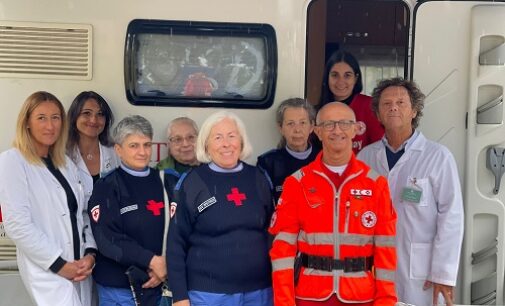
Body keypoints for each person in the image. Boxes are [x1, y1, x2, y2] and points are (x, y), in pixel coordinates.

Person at [269, 102, 397, 306]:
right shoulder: (297, 183)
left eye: (345, 123)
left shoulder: (376, 185)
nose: (337, 130)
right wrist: (284, 303)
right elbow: (282, 251)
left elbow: (386, 250)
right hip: (310, 297)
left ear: (356, 129)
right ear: (317, 131)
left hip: (361, 298)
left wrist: (385, 302)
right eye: (329, 124)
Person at [357, 78, 464, 306]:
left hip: (422, 273)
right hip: (376, 268)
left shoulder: (437, 156)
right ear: (377, 114)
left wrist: (443, 273)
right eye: (386, 104)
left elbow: (452, 217)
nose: (393, 107)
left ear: (414, 111)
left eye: (400, 102)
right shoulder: (365, 157)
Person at [167, 111, 274, 306]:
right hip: (208, 294)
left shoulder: (258, 178)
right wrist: (180, 296)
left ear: (241, 141)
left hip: (259, 292)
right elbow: (175, 243)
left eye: (232, 136)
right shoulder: (193, 182)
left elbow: (273, 232)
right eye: (218, 137)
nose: (226, 144)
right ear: (206, 144)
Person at [0, 91, 96, 306]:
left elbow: (83, 213)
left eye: (56, 117)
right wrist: (59, 264)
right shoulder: (13, 161)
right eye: (41, 118)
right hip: (49, 270)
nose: (50, 126)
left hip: (79, 269)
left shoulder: (66, 165)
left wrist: (90, 254)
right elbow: (17, 224)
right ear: (27, 123)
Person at [88, 115, 168, 306]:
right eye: (134, 145)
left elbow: (180, 231)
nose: (142, 152)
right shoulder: (106, 187)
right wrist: (152, 261)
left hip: (157, 287)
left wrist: (164, 267)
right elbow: (107, 239)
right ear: (118, 150)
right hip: (119, 289)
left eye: (147, 145)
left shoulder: (167, 182)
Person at [318, 50, 384, 153]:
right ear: (327, 77)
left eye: (347, 75)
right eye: (335, 75)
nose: (341, 81)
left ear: (356, 78)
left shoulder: (370, 106)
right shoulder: (318, 110)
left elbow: (379, 149)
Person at [67, 91, 119, 212]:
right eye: (86, 113)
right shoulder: (62, 155)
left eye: (100, 114)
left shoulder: (116, 153)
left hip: (109, 226)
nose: (94, 120)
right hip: (74, 227)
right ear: (74, 116)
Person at [257, 98, 318, 202]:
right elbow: (264, 204)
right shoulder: (268, 162)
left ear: (311, 127)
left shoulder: (323, 158)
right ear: (281, 128)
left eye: (302, 123)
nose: (297, 130)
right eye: (290, 123)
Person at [156, 116, 199, 199]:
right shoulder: (158, 173)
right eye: (178, 139)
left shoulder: (213, 168)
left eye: (191, 137)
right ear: (169, 144)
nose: (185, 144)